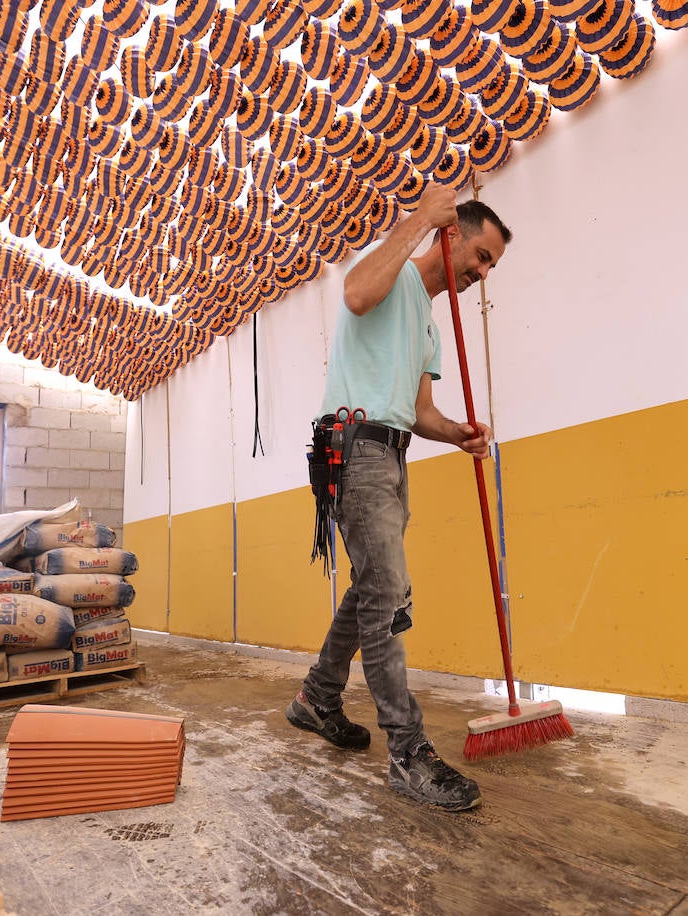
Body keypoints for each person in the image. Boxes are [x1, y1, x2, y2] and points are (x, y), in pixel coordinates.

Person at [286, 184, 512, 811]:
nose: (482, 273)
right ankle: (408, 750)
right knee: (385, 588)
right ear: (454, 235)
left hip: (387, 450)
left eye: (491, 265)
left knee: (372, 588)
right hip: (349, 444)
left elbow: (418, 414)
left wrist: (459, 433)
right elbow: (356, 293)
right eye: (483, 255)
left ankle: (317, 697)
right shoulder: (395, 280)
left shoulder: (431, 324)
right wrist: (418, 220)